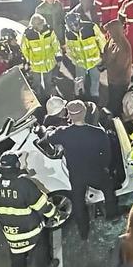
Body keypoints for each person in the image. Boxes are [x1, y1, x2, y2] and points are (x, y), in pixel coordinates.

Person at [50, 99, 119, 240]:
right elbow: (107, 154)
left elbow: (50, 138)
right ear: (85, 113)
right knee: (108, 189)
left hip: (76, 175)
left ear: (69, 115)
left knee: (78, 202)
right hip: (96, 172)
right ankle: (111, 215)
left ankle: (83, 232)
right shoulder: (98, 132)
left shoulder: (63, 133)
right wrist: (103, 167)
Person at [0, 153, 58, 267]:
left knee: (16, 251)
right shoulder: (24, 184)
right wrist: (55, 213)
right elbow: (43, 206)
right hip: (31, 230)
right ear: (17, 164)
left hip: (10, 231)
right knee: (41, 247)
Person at [65, 8, 106, 102]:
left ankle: (95, 99)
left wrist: (103, 56)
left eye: (75, 25)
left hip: (94, 61)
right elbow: (69, 48)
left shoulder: (91, 27)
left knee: (95, 81)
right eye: (70, 26)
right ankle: (81, 99)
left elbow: (101, 40)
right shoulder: (68, 33)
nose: (74, 28)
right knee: (80, 82)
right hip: (80, 63)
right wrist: (74, 60)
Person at [20, 14, 61, 102]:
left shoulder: (49, 31)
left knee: (48, 84)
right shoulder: (28, 34)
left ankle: (48, 100)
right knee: (36, 85)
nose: (39, 26)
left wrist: (58, 58)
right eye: (36, 24)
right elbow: (24, 49)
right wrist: (28, 61)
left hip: (48, 64)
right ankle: (38, 101)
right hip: (35, 66)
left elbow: (55, 44)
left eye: (40, 23)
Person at [100, 19, 133, 118]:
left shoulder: (124, 47)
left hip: (120, 81)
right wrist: (103, 61)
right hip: (112, 79)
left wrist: (106, 65)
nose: (109, 32)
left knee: (116, 102)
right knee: (112, 97)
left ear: (116, 31)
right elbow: (106, 52)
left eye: (110, 30)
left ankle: (115, 119)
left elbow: (119, 66)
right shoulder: (112, 40)